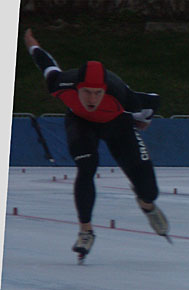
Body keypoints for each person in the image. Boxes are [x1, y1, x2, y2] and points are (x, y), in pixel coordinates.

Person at [24, 28, 170, 260]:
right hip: (81, 123)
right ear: (77, 87)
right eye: (87, 93)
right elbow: (46, 62)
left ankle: (146, 204)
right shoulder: (60, 84)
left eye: (97, 93)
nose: (92, 99)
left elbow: (153, 101)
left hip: (118, 125)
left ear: (105, 90)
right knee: (87, 166)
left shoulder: (122, 95)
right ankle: (86, 231)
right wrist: (32, 44)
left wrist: (144, 121)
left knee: (149, 190)